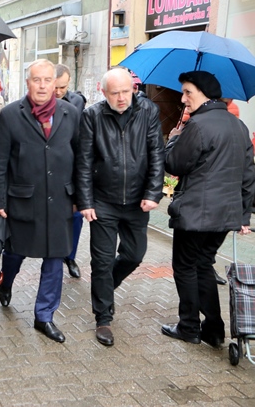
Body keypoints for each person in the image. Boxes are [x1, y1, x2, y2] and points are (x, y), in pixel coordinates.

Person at [160, 71, 255, 347]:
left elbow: (174, 164)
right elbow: (248, 175)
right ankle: (213, 329)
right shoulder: (239, 126)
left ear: (203, 93)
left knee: (185, 267)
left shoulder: (197, 126)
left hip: (195, 214)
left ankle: (189, 326)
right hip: (225, 216)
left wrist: (174, 138)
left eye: (187, 92)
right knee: (203, 264)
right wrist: (243, 216)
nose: (183, 98)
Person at [0, 59, 80, 343]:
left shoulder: (70, 113)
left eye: (47, 80)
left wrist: (80, 196)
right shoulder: (11, 114)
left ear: (55, 83)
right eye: (36, 80)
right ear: (28, 82)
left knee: (54, 258)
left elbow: (81, 158)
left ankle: (44, 316)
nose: (42, 86)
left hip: (60, 201)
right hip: (23, 200)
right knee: (15, 252)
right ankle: (7, 281)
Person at [76, 67, 164, 347]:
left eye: (126, 91)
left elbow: (156, 153)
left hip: (138, 201)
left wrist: (153, 192)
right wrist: (86, 202)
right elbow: (84, 161)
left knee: (135, 254)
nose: (122, 98)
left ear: (133, 89)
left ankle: (105, 288)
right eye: (115, 93)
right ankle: (103, 317)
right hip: (103, 201)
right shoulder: (92, 116)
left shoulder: (147, 111)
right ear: (103, 93)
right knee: (101, 261)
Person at [54, 63, 86, 279]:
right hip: (46, 168)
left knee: (76, 216)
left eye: (62, 87)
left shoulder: (78, 101)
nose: (58, 92)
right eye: (55, 87)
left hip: (72, 167)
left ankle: (70, 256)